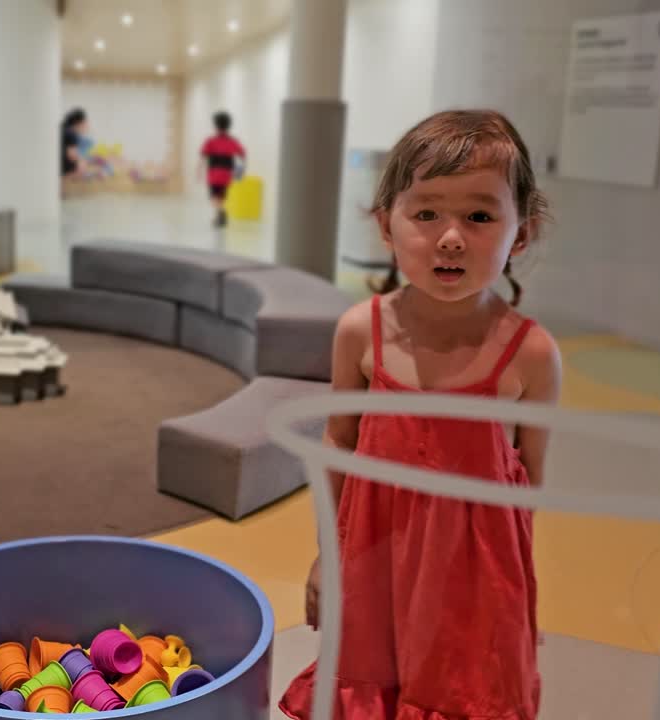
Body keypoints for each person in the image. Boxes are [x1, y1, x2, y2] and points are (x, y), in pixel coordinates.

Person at [279, 109, 562, 720]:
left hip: (473, 580)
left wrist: (516, 604)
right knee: (371, 686)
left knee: (461, 692)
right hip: (377, 557)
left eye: (480, 216)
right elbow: (338, 445)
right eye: (427, 213)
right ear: (387, 224)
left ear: (523, 232)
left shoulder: (532, 354)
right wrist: (327, 555)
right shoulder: (361, 332)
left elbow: (528, 485)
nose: (451, 237)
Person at [198, 111, 245, 227]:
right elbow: (242, 155)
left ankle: (221, 213)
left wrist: (199, 170)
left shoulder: (210, 141)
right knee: (222, 196)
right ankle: (218, 217)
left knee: (214, 196)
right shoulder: (233, 141)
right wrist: (239, 172)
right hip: (227, 173)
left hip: (213, 172)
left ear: (215, 125)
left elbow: (203, 157)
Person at [61, 108, 87, 177]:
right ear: (79, 122)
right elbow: (72, 156)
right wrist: (82, 162)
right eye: (84, 123)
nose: (86, 127)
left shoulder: (62, 128)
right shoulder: (71, 133)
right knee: (82, 162)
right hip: (64, 170)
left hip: (55, 167)